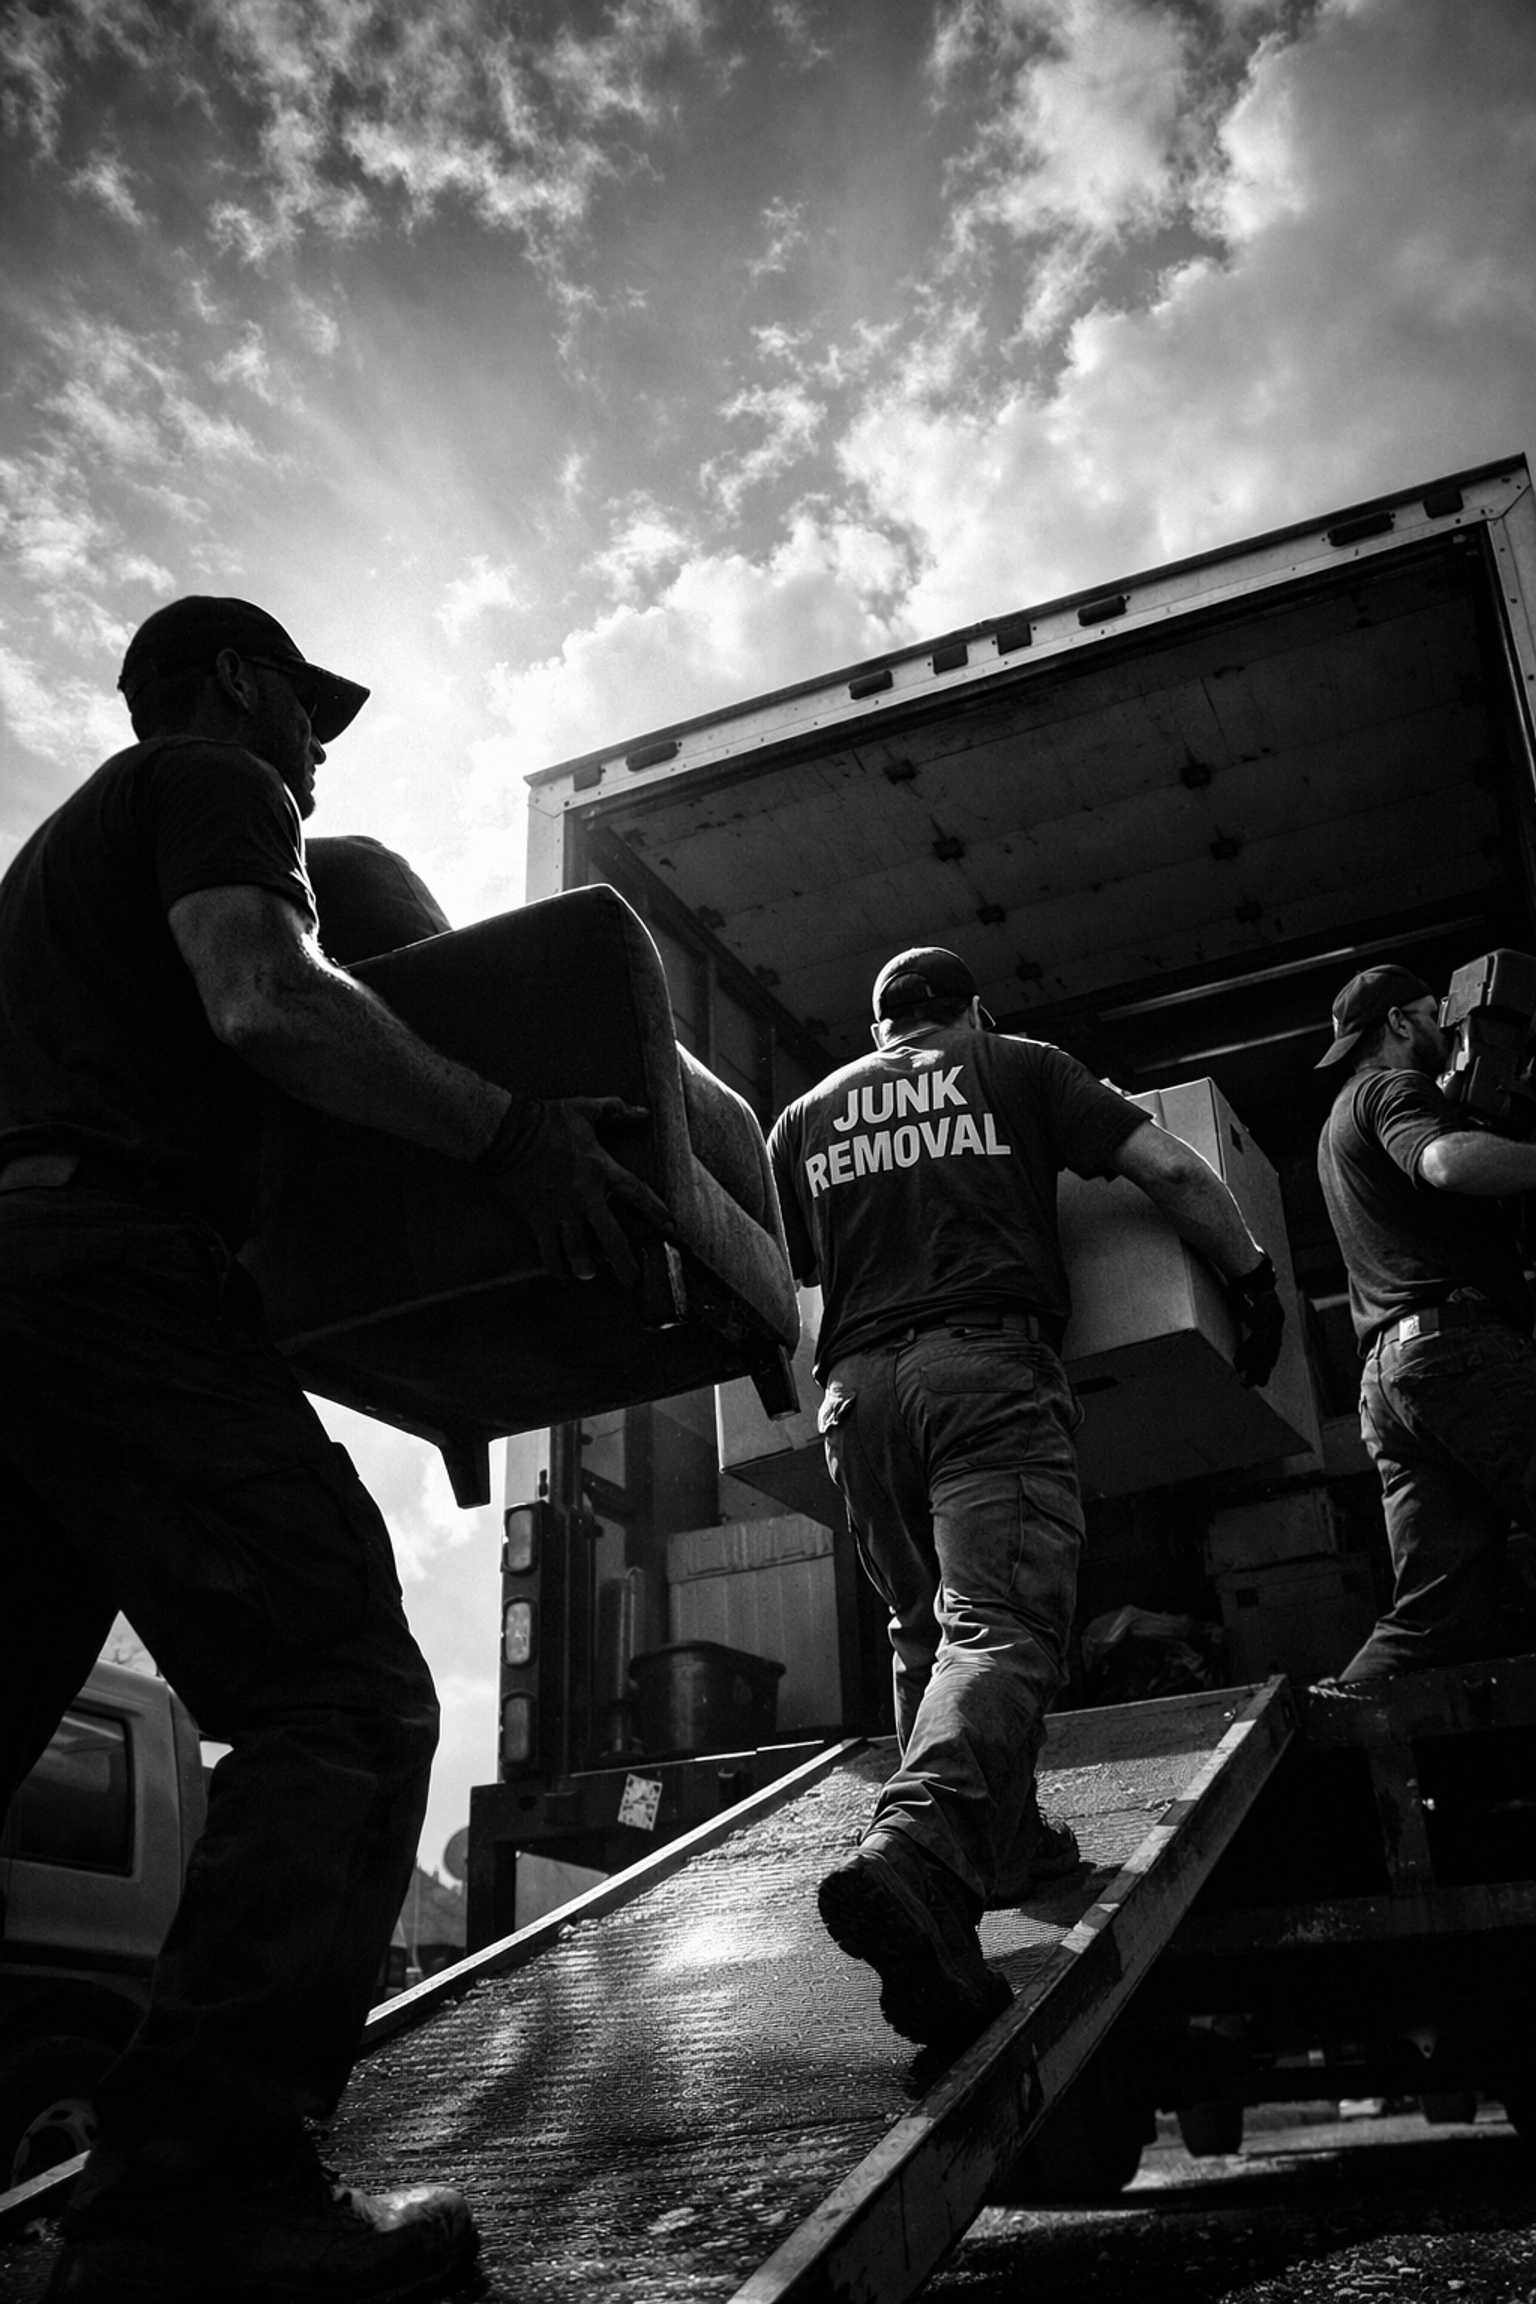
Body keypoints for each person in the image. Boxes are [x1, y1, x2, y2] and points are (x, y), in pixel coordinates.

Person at [0, 596, 667, 2303]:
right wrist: (510, 1129)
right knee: (348, 1693)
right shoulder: (214, 782)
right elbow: (267, 1000)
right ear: (234, 682)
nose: (318, 747)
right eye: (310, 709)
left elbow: (233, 1145)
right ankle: (194, 2193)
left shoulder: (47, 892)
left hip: (32, 1293)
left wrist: (434, 1371)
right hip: (109, 1278)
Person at [767, 946, 1283, 2052]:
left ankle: (1001, 1860)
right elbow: (1176, 1171)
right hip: (982, 1377)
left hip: (854, 1405)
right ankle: (916, 1855)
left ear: (878, 1031)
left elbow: (790, 1283)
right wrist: (1251, 1277)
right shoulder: (1020, 1066)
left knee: (928, 1639)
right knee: (998, 1628)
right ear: (974, 1010)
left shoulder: (800, 1119)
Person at [1316, 962, 1536, 1684]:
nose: (1448, 1029)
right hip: (1454, 1354)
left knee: (1431, 1621)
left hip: (1390, 1381)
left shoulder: (1337, 1121)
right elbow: (1445, 1163)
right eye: (1431, 1015)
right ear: (1399, 1025)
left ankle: (1332, 1753)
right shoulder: (1391, 1089)